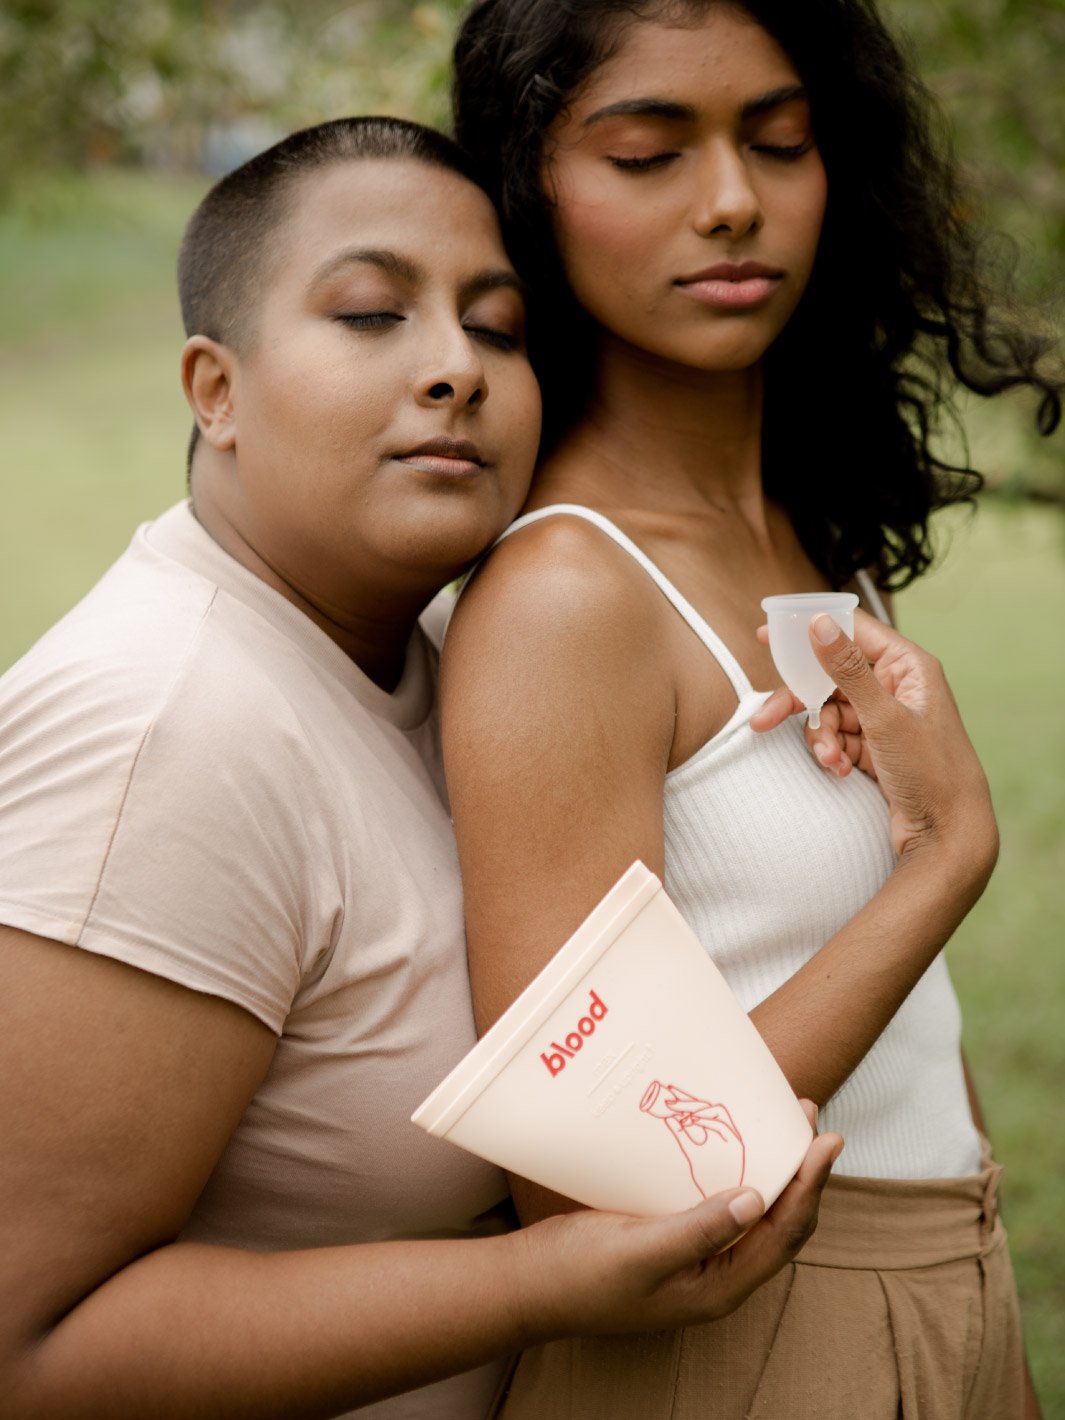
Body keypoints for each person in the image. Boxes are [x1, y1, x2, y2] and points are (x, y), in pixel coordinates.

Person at [0, 116, 846, 1420]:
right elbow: (29, 1345)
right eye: (367, 313)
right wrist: (537, 1281)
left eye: (497, 327)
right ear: (213, 390)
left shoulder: (436, 666)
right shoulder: (163, 729)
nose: (454, 366)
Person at [443, 2, 1063, 1415]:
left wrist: (980, 1301)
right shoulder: (567, 594)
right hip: (739, 1336)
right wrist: (947, 858)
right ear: (530, 189)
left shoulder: (807, 536)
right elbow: (592, 1180)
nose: (733, 203)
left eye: (778, 143)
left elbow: (911, 1040)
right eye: (648, 154)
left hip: (945, 1273)